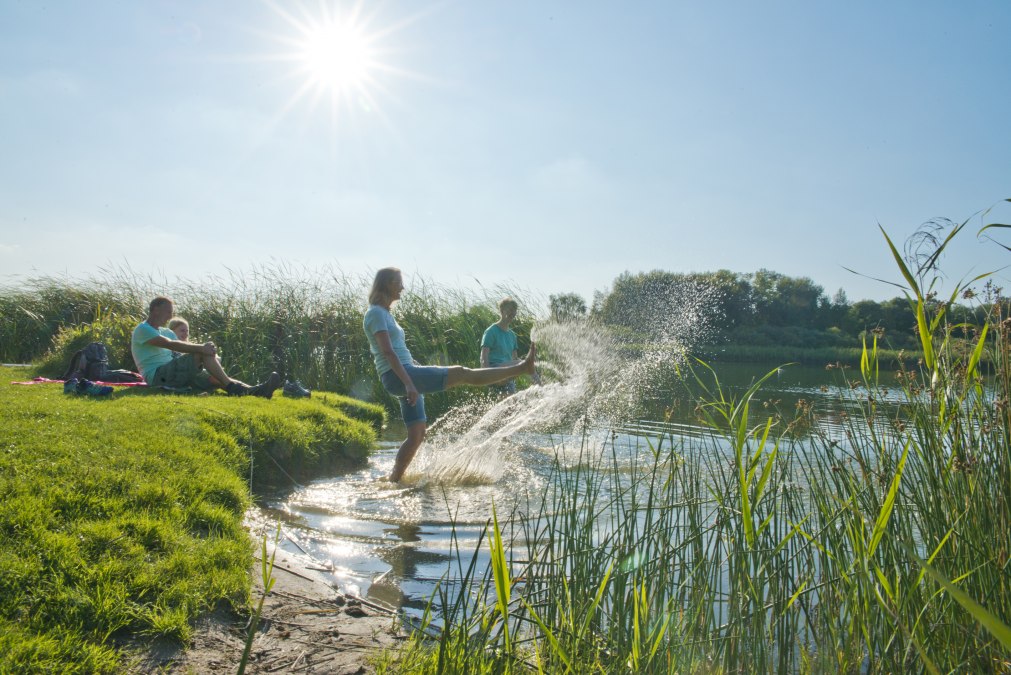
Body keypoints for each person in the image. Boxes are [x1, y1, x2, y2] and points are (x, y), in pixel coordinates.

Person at [363, 268, 536, 482]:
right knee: (463, 373)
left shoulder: (384, 314)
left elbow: (397, 351)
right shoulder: (376, 313)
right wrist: (409, 383)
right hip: (400, 377)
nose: (403, 287)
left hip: (405, 374)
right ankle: (522, 368)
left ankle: (393, 481)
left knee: (417, 435)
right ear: (387, 284)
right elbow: (387, 352)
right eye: (399, 282)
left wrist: (415, 369)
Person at [132, 297, 280, 397]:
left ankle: (255, 391)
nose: (170, 316)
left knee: (215, 378)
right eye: (168, 312)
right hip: (158, 375)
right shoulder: (143, 329)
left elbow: (185, 346)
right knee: (201, 353)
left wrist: (210, 353)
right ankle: (234, 388)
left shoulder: (166, 331)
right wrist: (202, 349)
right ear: (156, 309)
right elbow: (170, 344)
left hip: (174, 371)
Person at [480, 298, 520, 395]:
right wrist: (487, 374)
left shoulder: (512, 335)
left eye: (514, 310)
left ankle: (537, 390)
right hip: (493, 369)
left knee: (510, 406)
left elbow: (515, 357)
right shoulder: (491, 331)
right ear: (502, 311)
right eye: (510, 310)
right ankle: (540, 388)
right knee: (523, 363)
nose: (513, 313)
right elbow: (484, 355)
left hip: (507, 373)